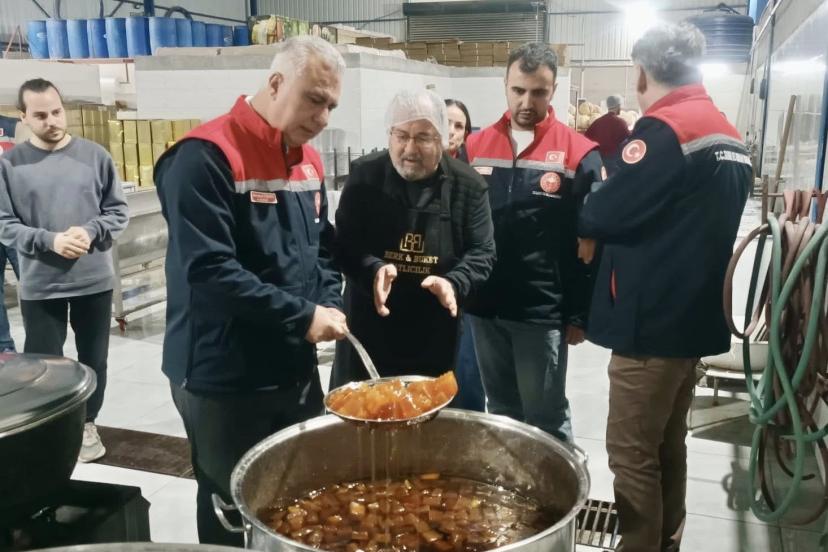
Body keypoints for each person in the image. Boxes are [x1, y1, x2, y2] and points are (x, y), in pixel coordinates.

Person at [154, 36, 349, 546]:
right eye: (314, 99)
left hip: (291, 367)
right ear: (276, 83)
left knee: (300, 498)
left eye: (331, 105)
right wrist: (303, 317)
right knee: (232, 505)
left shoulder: (308, 162)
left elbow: (321, 249)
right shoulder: (205, 157)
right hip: (224, 374)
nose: (322, 117)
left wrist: (329, 302)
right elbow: (210, 271)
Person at [578, 23, 751, 552]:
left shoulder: (665, 131)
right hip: (692, 322)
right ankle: (666, 542)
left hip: (651, 328)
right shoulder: (726, 132)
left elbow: (604, 212)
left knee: (631, 453)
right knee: (667, 445)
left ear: (640, 73)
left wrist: (592, 200)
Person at [464, 43, 603, 442]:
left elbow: (591, 246)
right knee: (501, 412)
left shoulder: (579, 154)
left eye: (538, 92)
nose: (526, 102)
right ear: (505, 85)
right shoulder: (474, 147)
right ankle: (512, 481)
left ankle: (559, 483)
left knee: (545, 418)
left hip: (540, 311)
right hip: (484, 306)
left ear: (553, 90)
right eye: (518, 90)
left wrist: (579, 314)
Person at [0, 78, 129, 462]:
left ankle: (88, 423)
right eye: (40, 115)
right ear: (23, 117)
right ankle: (47, 429)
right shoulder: (10, 166)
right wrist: (49, 240)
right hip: (41, 283)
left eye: (57, 112)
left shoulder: (95, 156)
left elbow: (117, 212)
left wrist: (89, 231)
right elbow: (5, 224)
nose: (52, 121)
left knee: (94, 358)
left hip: (93, 280)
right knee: (42, 364)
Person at [330, 90, 494, 388]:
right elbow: (345, 242)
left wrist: (454, 282)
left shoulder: (468, 186)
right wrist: (373, 269)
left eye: (423, 138)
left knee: (427, 412)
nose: (410, 148)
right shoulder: (364, 176)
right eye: (401, 136)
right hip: (369, 324)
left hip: (433, 331)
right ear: (389, 135)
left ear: (442, 140)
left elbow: (483, 252)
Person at [443, 97, 486, 412]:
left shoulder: (473, 179)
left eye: (459, 126)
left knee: (468, 372)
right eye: (446, 122)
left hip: (465, 289)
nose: (452, 132)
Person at [0, 114, 22, 353]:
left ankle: (43, 341)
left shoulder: (11, 124)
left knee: (31, 282)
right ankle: (4, 347)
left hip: (16, 219)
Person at [584, 94, 631, 176]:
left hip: (597, 161)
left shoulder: (597, 122)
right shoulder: (620, 123)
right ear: (618, 106)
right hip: (613, 163)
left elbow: (585, 138)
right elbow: (629, 140)